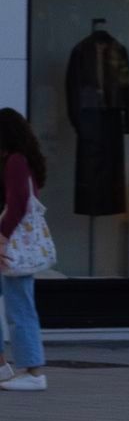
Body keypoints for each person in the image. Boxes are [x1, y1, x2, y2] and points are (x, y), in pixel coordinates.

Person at [0, 108, 48, 390]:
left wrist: (2, 237)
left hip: (13, 244)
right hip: (13, 242)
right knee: (19, 306)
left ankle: (33, 371)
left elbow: (17, 204)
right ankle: (7, 367)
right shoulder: (16, 161)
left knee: (20, 308)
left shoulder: (16, 161)